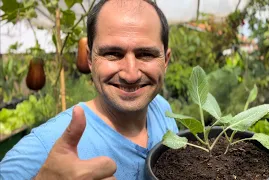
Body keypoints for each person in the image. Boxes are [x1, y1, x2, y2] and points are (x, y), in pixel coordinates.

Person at [0, 0, 179, 179]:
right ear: (90, 60)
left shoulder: (161, 109)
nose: (130, 75)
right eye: (112, 54)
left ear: (165, 61)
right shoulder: (48, 143)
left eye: (146, 54)